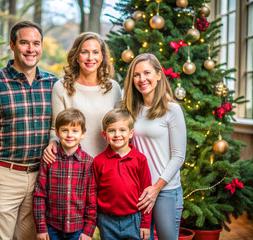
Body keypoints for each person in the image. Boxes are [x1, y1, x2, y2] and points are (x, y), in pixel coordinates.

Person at [0, 21, 58, 240]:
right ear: (12, 45)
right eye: (24, 43)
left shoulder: (52, 83)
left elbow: (61, 126)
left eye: (36, 43)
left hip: (40, 177)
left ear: (42, 47)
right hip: (4, 176)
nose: (30, 49)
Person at [122, 53, 187, 240]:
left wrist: (156, 187)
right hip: (138, 190)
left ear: (159, 75)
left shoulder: (171, 109)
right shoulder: (130, 110)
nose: (142, 79)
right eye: (136, 75)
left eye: (147, 73)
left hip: (166, 190)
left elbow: (178, 156)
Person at [43, 32, 122, 162]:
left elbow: (120, 126)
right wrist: (53, 142)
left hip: (107, 165)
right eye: (84, 52)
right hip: (73, 165)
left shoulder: (113, 88)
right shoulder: (61, 87)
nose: (90, 58)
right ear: (76, 56)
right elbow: (55, 129)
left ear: (102, 56)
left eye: (95, 52)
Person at [33, 108, 96, 240]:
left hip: (78, 229)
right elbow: (39, 194)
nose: (69, 135)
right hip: (52, 227)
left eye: (75, 131)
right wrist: (41, 227)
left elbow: (92, 200)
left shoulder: (88, 162)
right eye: (64, 130)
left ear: (82, 134)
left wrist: (88, 230)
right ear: (57, 132)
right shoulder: (49, 159)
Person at [93, 108, 152, 240]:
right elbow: (94, 192)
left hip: (134, 219)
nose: (117, 134)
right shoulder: (98, 161)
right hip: (106, 220)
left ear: (131, 133)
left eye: (122, 130)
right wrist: (96, 220)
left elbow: (146, 195)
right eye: (112, 130)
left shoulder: (140, 159)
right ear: (105, 134)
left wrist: (145, 224)